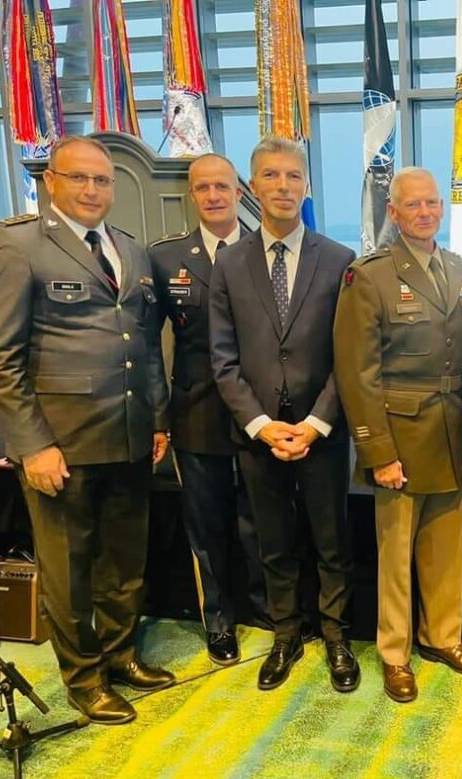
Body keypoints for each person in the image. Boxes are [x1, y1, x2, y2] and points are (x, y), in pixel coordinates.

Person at [0, 135, 174, 724]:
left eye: (102, 179)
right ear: (50, 182)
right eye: (79, 177)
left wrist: (158, 419)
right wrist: (32, 444)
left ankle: (120, 654)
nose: (92, 189)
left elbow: (144, 343)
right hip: (61, 443)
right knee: (68, 569)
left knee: (124, 561)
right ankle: (84, 677)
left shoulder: (130, 249)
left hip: (129, 434)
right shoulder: (17, 246)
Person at [333, 167, 462, 703]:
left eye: (432, 203)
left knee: (445, 547)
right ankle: (395, 653)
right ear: (393, 213)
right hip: (398, 435)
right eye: (413, 205)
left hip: (449, 431)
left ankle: (443, 637)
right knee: (395, 557)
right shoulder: (369, 276)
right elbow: (357, 373)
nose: (425, 213)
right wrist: (377, 451)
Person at [208, 137, 358, 693]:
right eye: (271, 175)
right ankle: (286, 634)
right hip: (259, 434)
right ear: (253, 187)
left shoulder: (339, 260)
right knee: (272, 543)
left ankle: (336, 635)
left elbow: (350, 357)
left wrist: (316, 423)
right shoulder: (230, 263)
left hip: (321, 431)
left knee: (331, 541)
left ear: (307, 186)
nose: (283, 186)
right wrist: (260, 424)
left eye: (294, 176)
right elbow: (222, 359)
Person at [149, 154, 267, 666]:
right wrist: (159, 417)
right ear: (192, 195)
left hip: (259, 411)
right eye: (202, 188)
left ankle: (267, 610)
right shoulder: (165, 258)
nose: (213, 196)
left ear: (239, 192)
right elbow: (149, 347)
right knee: (207, 524)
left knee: (261, 519)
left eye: (222, 186)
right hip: (197, 411)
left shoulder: (265, 250)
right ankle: (218, 619)